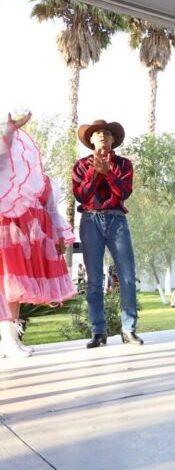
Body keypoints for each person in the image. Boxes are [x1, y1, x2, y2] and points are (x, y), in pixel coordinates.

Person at [0, 112, 78, 358]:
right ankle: (8, 341)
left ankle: (11, 339)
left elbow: (52, 211)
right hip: (7, 236)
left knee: (16, 287)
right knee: (6, 285)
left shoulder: (43, 182)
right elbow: (2, 156)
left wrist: (57, 237)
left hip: (27, 241)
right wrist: (10, 132)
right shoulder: (4, 178)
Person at [73, 119, 143, 348]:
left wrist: (109, 173)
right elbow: (81, 196)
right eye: (97, 133)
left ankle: (128, 329)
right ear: (91, 140)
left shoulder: (124, 164)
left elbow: (124, 192)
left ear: (114, 140)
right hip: (90, 219)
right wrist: (96, 174)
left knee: (127, 276)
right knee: (93, 279)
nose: (102, 135)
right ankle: (98, 332)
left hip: (116, 219)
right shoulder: (81, 165)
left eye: (106, 132)